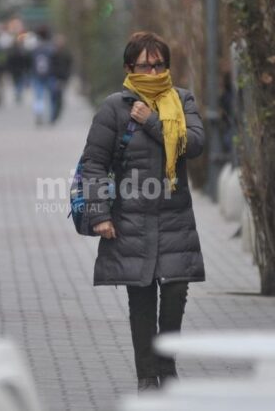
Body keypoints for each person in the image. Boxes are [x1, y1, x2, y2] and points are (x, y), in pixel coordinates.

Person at [80, 31, 206, 391]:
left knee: (176, 295)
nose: (153, 72)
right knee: (141, 297)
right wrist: (99, 214)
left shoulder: (181, 100)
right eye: (144, 66)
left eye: (159, 65)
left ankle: (167, 368)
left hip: (174, 217)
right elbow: (94, 164)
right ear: (128, 68)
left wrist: (153, 121)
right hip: (130, 218)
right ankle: (147, 376)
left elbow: (195, 144)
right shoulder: (113, 108)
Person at [49, 35, 72, 124]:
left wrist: (67, 77)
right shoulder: (52, 53)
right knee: (53, 97)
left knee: (60, 98)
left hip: (63, 78)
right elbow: (50, 66)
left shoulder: (66, 54)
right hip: (54, 78)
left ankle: (56, 114)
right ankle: (53, 116)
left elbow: (69, 66)